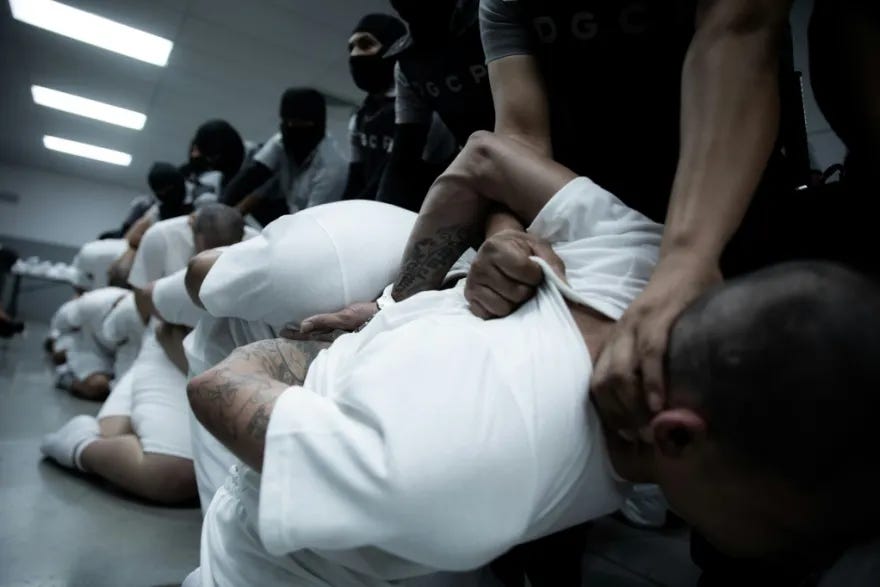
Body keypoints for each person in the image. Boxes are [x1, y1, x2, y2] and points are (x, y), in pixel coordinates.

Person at [185, 133, 880, 586]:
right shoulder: (454, 474)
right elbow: (220, 385)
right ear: (674, 435)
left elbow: (486, 159)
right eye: (787, 532)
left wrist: (405, 303)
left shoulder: (638, 253)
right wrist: (348, 340)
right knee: (209, 293)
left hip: (412, 486)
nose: (795, 557)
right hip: (278, 549)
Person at [39, 205, 251, 504]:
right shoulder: (165, 243)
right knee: (170, 471)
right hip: (172, 351)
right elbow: (152, 310)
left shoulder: (251, 253)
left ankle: (86, 439)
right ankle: (76, 445)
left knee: (116, 438)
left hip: (193, 355)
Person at [376, 0, 494, 211]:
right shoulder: (406, 66)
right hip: (490, 173)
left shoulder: (494, 14)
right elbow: (404, 157)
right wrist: (380, 215)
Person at [220, 88, 347, 220]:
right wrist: (220, 210)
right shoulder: (282, 142)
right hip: (290, 209)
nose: (289, 127)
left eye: (296, 123)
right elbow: (253, 175)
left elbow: (311, 221)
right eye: (286, 122)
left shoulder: (331, 168)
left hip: (317, 222)